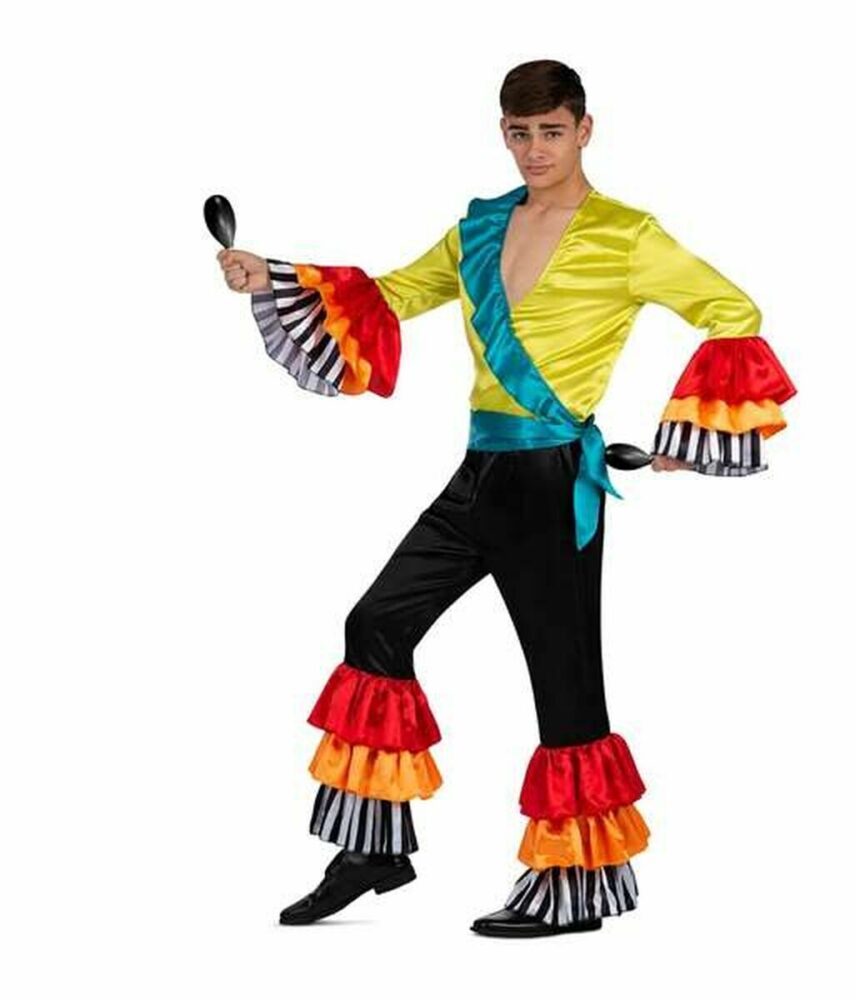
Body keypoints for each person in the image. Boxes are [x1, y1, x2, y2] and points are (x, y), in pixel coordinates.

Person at [216, 59, 796, 938]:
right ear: (503, 132)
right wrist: (273, 273)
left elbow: (733, 310)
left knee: (566, 685)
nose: (535, 149)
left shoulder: (628, 236)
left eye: (551, 132)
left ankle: (573, 887)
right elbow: (397, 293)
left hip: (554, 482)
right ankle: (373, 848)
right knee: (375, 625)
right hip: (478, 476)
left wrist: (694, 434)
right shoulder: (480, 228)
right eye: (520, 133)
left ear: (584, 131)